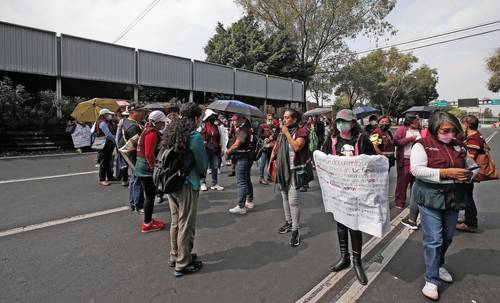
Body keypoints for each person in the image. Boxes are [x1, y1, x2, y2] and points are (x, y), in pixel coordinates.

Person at [410, 112, 477, 300]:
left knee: (447, 237)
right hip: (430, 198)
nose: (450, 134)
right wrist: (446, 172)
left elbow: (472, 167)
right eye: (445, 130)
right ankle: (431, 279)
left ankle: (438, 265)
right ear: (434, 128)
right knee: (434, 240)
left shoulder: (458, 146)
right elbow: (417, 170)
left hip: (454, 198)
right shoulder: (422, 145)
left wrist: (469, 175)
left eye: (453, 130)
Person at [322, 109, 376, 285]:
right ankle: (344, 257)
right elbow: (323, 160)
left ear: (353, 123)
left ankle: (356, 261)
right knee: (341, 225)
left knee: (354, 226)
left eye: (344, 121)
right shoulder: (331, 140)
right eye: (338, 121)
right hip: (338, 192)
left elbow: (372, 162)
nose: (341, 124)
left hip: (357, 192)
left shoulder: (362, 141)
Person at [163, 102, 207, 277]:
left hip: (171, 183)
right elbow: (202, 163)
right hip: (187, 184)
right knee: (186, 224)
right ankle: (183, 263)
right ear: (196, 118)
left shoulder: (171, 131)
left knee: (176, 222)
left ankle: (176, 256)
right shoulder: (194, 136)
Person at [273, 109, 311, 246]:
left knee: (293, 201)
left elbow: (296, 147)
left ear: (295, 119)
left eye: (287, 117)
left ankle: (295, 230)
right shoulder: (282, 131)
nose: (284, 120)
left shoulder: (301, 131)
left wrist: (287, 133)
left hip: (295, 170)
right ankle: (289, 222)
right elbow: (277, 147)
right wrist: (270, 161)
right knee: (284, 197)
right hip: (283, 169)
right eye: (283, 117)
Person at [134, 110, 168, 233]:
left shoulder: (146, 129)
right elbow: (149, 153)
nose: (162, 125)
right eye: (161, 123)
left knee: (150, 194)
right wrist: (154, 167)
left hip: (141, 166)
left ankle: (149, 220)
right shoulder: (151, 133)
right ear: (157, 122)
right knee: (149, 196)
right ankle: (147, 224)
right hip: (145, 168)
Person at [456, 115, 485, 233]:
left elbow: (470, 158)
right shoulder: (477, 136)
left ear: (467, 125)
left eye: (462, 124)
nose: (461, 127)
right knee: (468, 195)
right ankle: (469, 218)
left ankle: (470, 222)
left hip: (469, 172)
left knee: (467, 197)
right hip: (471, 172)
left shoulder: (473, 139)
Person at [119, 104, 146, 212]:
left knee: (134, 179)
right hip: (134, 154)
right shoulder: (133, 127)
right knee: (138, 179)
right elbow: (139, 143)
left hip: (128, 153)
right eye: (139, 111)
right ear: (132, 113)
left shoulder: (127, 121)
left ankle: (133, 203)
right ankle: (138, 205)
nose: (142, 113)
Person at [227, 114, 254, 214]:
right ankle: (249, 199)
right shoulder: (248, 128)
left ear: (243, 118)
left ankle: (241, 206)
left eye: (236, 119)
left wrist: (228, 152)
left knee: (241, 182)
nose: (235, 122)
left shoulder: (243, 130)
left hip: (242, 157)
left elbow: (237, 144)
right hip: (247, 157)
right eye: (234, 120)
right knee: (246, 180)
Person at [393, 114, 421, 209]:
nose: (418, 122)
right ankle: (399, 201)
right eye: (417, 120)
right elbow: (396, 142)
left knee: (416, 182)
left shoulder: (421, 130)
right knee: (402, 182)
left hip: (418, 161)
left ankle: (415, 203)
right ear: (411, 121)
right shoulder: (402, 129)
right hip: (405, 160)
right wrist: (410, 139)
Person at [200, 109, 224, 191]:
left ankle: (215, 183)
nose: (213, 118)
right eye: (211, 116)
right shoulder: (203, 126)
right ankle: (203, 183)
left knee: (214, 166)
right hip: (205, 149)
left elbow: (219, 138)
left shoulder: (216, 126)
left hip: (215, 150)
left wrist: (221, 149)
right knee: (204, 167)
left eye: (214, 116)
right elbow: (200, 136)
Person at [95, 108, 117, 186]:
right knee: (104, 162)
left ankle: (110, 176)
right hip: (105, 144)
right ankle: (102, 179)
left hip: (106, 144)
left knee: (107, 160)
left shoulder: (105, 122)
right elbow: (108, 134)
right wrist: (115, 141)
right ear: (104, 115)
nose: (110, 116)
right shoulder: (102, 123)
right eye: (108, 114)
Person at [257, 114, 277, 185]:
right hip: (264, 147)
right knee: (263, 163)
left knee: (270, 162)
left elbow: (277, 135)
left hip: (272, 147)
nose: (270, 121)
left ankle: (269, 176)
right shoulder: (262, 126)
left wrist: (273, 137)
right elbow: (259, 135)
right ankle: (261, 178)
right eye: (269, 119)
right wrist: (266, 137)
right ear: (266, 120)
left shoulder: (275, 127)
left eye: (271, 119)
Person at [115, 108, 130, 186]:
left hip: (124, 144)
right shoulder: (123, 121)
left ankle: (125, 179)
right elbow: (118, 135)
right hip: (126, 145)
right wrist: (118, 146)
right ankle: (125, 179)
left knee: (125, 163)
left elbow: (117, 135)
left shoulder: (122, 121)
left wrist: (118, 146)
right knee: (126, 163)